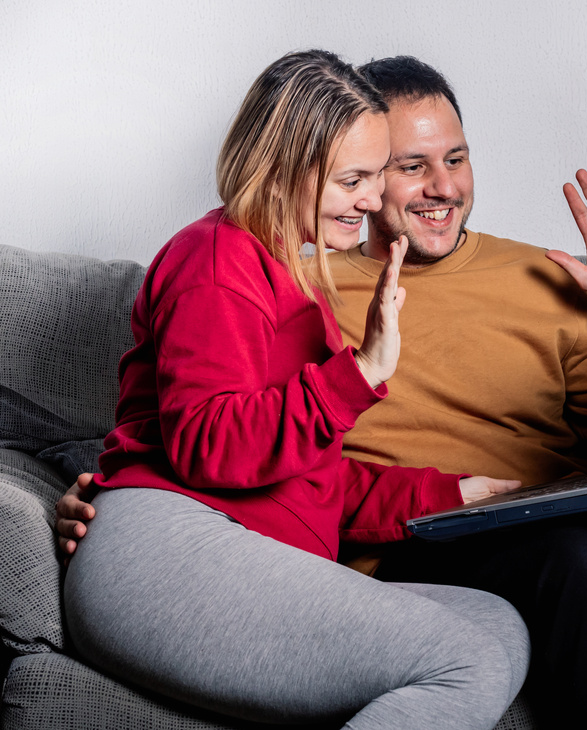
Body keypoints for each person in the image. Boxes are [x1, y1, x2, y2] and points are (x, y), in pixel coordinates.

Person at [60, 55, 587, 729]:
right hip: (440, 532)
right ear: (360, 167)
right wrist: (114, 488)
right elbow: (204, 424)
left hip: (564, 498)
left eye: (454, 159)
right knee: (578, 561)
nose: (440, 186)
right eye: (404, 166)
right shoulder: (304, 275)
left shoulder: (539, 272)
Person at [60, 50, 529, 730]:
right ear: (284, 170)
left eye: (374, 176)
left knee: (497, 625)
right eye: (353, 179)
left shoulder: (295, 287)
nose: (373, 201)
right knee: (466, 658)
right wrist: (360, 373)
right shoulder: (216, 258)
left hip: (237, 544)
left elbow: (312, 480)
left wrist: (450, 494)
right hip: (168, 549)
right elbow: (206, 443)